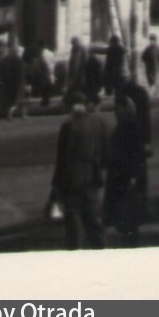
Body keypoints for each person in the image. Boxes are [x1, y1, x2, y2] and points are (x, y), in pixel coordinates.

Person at [51, 94, 107, 249]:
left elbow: (62, 158)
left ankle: (76, 254)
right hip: (92, 178)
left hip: (72, 180)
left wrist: (56, 186)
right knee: (93, 221)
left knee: (74, 226)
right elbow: (105, 153)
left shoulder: (68, 126)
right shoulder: (99, 123)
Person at [103, 95, 148, 243]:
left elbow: (135, 158)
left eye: (118, 109)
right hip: (123, 180)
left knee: (126, 221)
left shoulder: (129, 130)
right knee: (126, 223)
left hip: (125, 181)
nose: (115, 113)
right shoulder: (127, 128)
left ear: (125, 110)